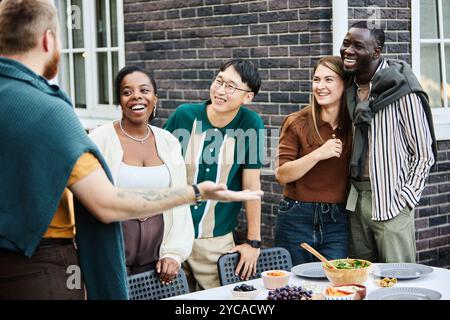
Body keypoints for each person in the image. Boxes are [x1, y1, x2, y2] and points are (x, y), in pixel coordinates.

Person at [0, 0, 262, 300]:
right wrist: (195, 192)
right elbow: (105, 204)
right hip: (37, 265)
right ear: (48, 39)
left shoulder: (176, 137)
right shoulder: (50, 110)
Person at [340, 21, 437, 263]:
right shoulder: (349, 87)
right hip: (355, 199)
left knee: (399, 284)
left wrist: (405, 199)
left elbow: (424, 153)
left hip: (391, 200)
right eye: (346, 43)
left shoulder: (402, 88)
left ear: (376, 52)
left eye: (358, 46)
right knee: (362, 280)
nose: (348, 50)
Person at [164, 59, 264, 291]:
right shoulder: (184, 116)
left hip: (216, 240)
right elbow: (160, 166)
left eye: (231, 86)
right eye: (219, 81)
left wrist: (253, 242)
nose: (220, 90)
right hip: (170, 234)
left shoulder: (251, 124)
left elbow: (251, 186)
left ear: (247, 97)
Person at [89, 66, 194, 283]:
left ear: (155, 98)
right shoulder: (99, 139)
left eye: (144, 90)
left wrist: (173, 253)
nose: (136, 96)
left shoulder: (169, 142)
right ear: (119, 100)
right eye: (127, 92)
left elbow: (179, 202)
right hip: (110, 256)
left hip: (156, 261)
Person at [274, 56, 352, 266]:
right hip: (296, 217)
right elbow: (282, 174)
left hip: (337, 220)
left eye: (329, 80)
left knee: (332, 285)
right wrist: (318, 154)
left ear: (344, 84)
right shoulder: (297, 122)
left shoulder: (354, 126)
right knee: (294, 285)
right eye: (316, 80)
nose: (320, 86)